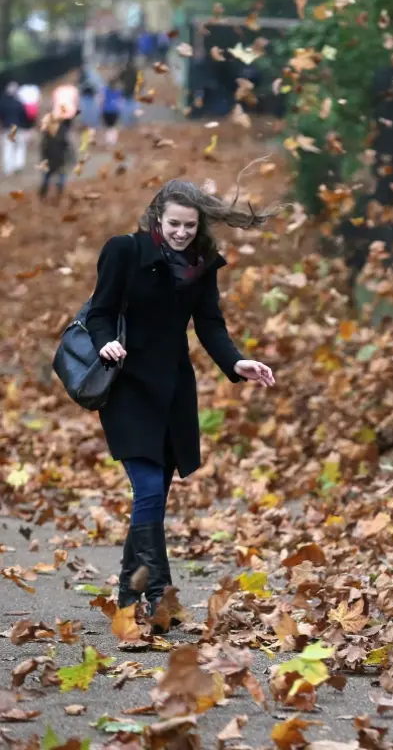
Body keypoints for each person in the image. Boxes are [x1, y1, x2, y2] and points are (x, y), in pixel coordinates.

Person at [85, 177, 276, 629]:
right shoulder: (124, 251)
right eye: (174, 224)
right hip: (127, 384)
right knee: (148, 490)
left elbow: (209, 324)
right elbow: (99, 311)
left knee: (154, 498)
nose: (181, 233)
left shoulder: (201, 264)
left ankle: (128, 600)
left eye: (190, 225)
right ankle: (159, 596)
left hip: (172, 389)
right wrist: (105, 343)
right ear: (157, 218)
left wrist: (237, 362)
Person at [39, 115, 74, 202]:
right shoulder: (62, 132)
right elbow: (67, 146)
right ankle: (58, 189)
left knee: (47, 176)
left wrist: (43, 158)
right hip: (59, 159)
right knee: (60, 175)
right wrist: (71, 157)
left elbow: (43, 148)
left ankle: (45, 191)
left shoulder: (47, 133)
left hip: (50, 159)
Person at [0, 82, 27, 176]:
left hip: (7, 127)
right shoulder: (19, 103)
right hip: (17, 127)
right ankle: (18, 165)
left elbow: (2, 116)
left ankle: (8, 168)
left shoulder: (2, 103)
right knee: (19, 147)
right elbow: (24, 116)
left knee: (8, 147)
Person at [101, 79, 123, 146]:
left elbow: (101, 99)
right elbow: (120, 102)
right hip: (113, 111)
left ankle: (109, 140)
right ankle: (112, 141)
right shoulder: (118, 92)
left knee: (109, 127)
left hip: (107, 111)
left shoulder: (105, 90)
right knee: (112, 127)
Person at [118, 59, 138, 128]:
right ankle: (129, 124)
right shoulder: (131, 72)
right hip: (127, 94)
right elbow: (118, 79)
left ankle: (130, 124)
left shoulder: (133, 73)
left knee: (129, 111)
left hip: (130, 94)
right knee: (128, 111)